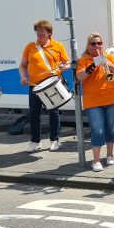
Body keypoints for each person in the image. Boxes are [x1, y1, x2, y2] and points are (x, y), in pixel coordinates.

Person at [19, 19, 70, 153]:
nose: (39, 33)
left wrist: (64, 67)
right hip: (35, 86)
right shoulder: (30, 46)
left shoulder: (57, 46)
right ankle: (35, 141)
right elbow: (23, 65)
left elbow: (67, 63)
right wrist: (24, 77)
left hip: (52, 84)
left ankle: (55, 140)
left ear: (49, 33)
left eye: (42, 31)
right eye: (37, 30)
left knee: (54, 112)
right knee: (34, 114)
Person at [76, 33, 114, 172]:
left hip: (112, 98)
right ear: (88, 46)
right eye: (93, 44)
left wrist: (108, 64)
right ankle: (96, 160)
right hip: (93, 101)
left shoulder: (110, 57)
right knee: (97, 130)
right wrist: (92, 65)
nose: (97, 46)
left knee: (111, 129)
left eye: (99, 43)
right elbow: (80, 76)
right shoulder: (84, 60)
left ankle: (109, 155)